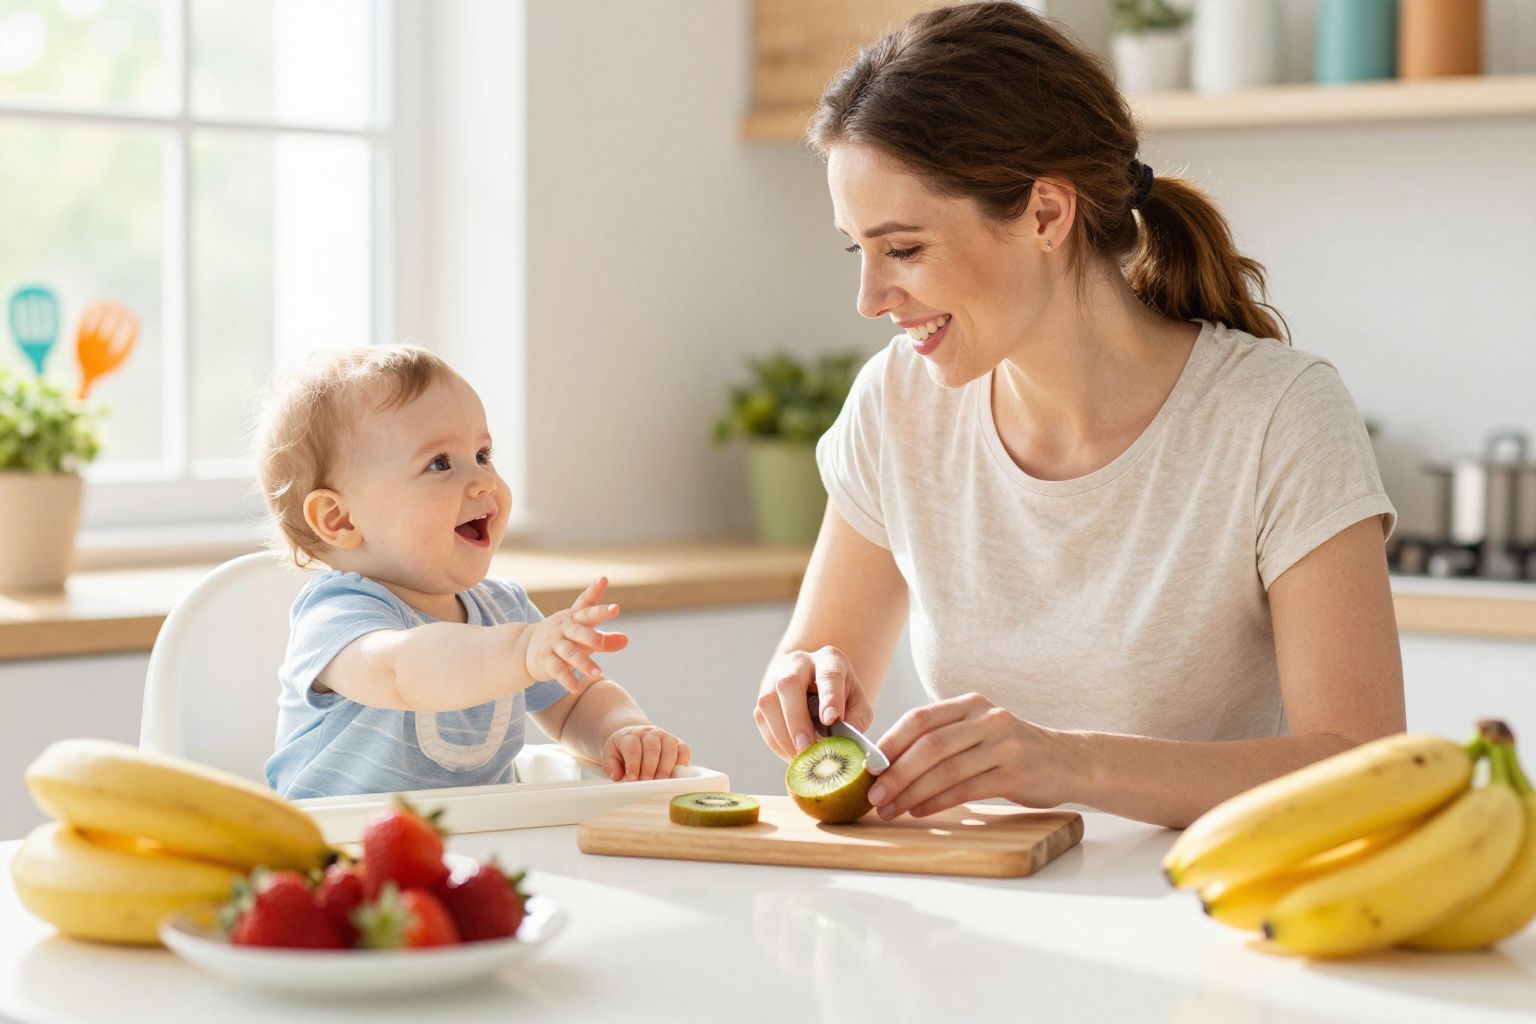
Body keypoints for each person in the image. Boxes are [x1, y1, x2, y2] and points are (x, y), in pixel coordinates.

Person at [753, 1, 1404, 829]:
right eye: (860, 250)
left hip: (1215, 923)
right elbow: (817, 657)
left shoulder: (1277, 415)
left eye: (905, 250)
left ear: (1046, 214)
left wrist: (1066, 762)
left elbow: (1363, 766)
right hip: (988, 917)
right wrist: (805, 685)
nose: (869, 299)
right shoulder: (897, 405)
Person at [256, 344, 690, 798]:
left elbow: (575, 701)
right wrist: (523, 651)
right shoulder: (336, 616)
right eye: (439, 463)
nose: (484, 480)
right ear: (340, 520)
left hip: (474, 853)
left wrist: (621, 732)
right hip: (340, 851)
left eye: (483, 455)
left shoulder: (504, 609)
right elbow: (405, 672)